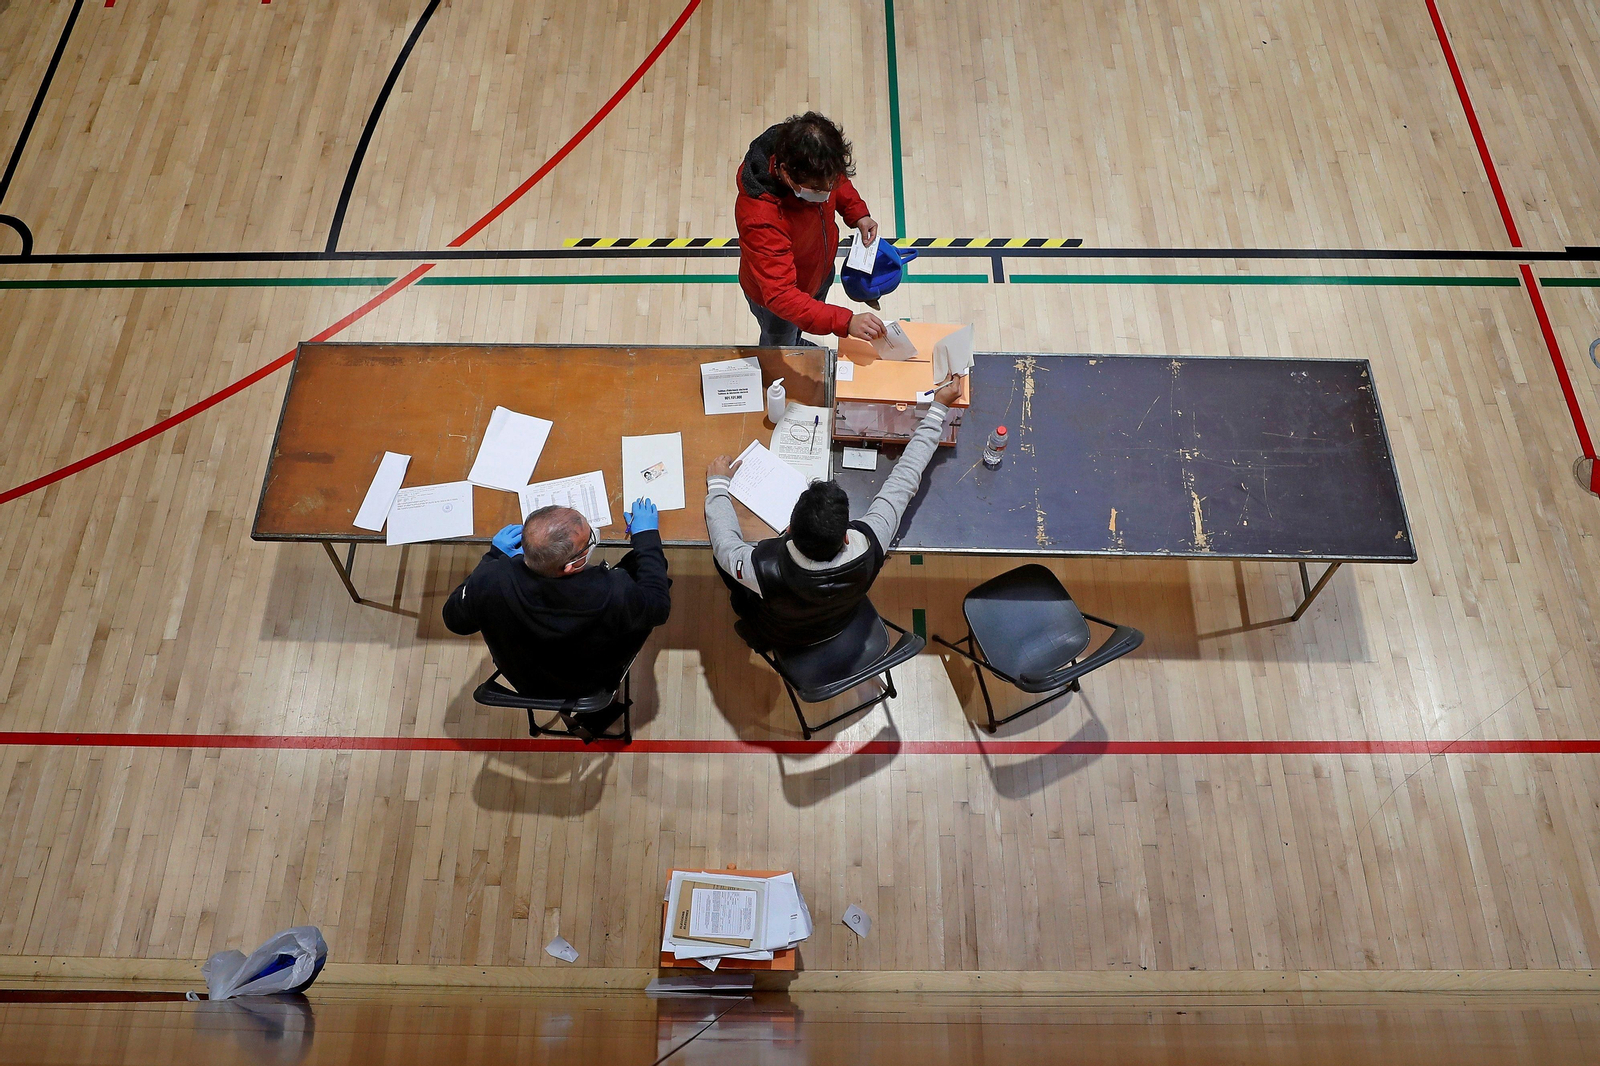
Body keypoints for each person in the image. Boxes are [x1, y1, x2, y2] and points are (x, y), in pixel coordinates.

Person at [706, 377, 964, 650]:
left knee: (724, 569)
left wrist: (718, 484)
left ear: (788, 530)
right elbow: (905, 479)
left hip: (782, 637)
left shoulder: (762, 569)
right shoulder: (872, 543)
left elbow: (725, 547)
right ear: (846, 537)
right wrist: (938, 409)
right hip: (838, 623)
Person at [443, 499, 671, 728]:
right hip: (590, 683)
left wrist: (493, 555)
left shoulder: (490, 580)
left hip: (527, 681)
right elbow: (658, 607)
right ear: (571, 565)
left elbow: (455, 621)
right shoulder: (614, 591)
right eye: (589, 541)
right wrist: (647, 536)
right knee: (645, 565)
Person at [736, 112, 887, 348]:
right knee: (780, 343)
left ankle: (796, 342)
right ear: (786, 173)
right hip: (778, 300)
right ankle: (785, 354)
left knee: (803, 322)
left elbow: (835, 181)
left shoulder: (816, 160)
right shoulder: (760, 218)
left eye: (831, 184)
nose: (826, 193)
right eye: (817, 189)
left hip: (818, 273)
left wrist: (857, 213)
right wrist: (846, 322)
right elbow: (782, 296)